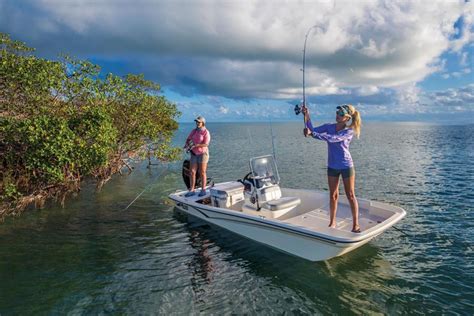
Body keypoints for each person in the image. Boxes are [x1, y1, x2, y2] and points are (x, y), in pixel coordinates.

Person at [303, 104, 362, 233]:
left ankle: (356, 224)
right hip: (332, 166)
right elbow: (313, 130)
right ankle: (332, 222)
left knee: (350, 195)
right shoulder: (329, 126)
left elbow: (333, 139)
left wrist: (312, 134)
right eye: (337, 113)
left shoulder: (349, 131)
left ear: (347, 118)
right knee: (333, 195)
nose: (337, 115)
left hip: (346, 165)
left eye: (341, 114)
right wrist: (307, 116)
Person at [183, 115, 211, 197]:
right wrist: (186, 145)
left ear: (203, 123)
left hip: (203, 154)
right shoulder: (194, 131)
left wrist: (196, 145)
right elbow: (188, 139)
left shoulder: (206, 132)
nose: (197, 123)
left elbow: (206, 144)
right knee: (192, 172)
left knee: (202, 172)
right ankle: (192, 190)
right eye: (196, 122)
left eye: (199, 122)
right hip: (194, 153)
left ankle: (203, 189)